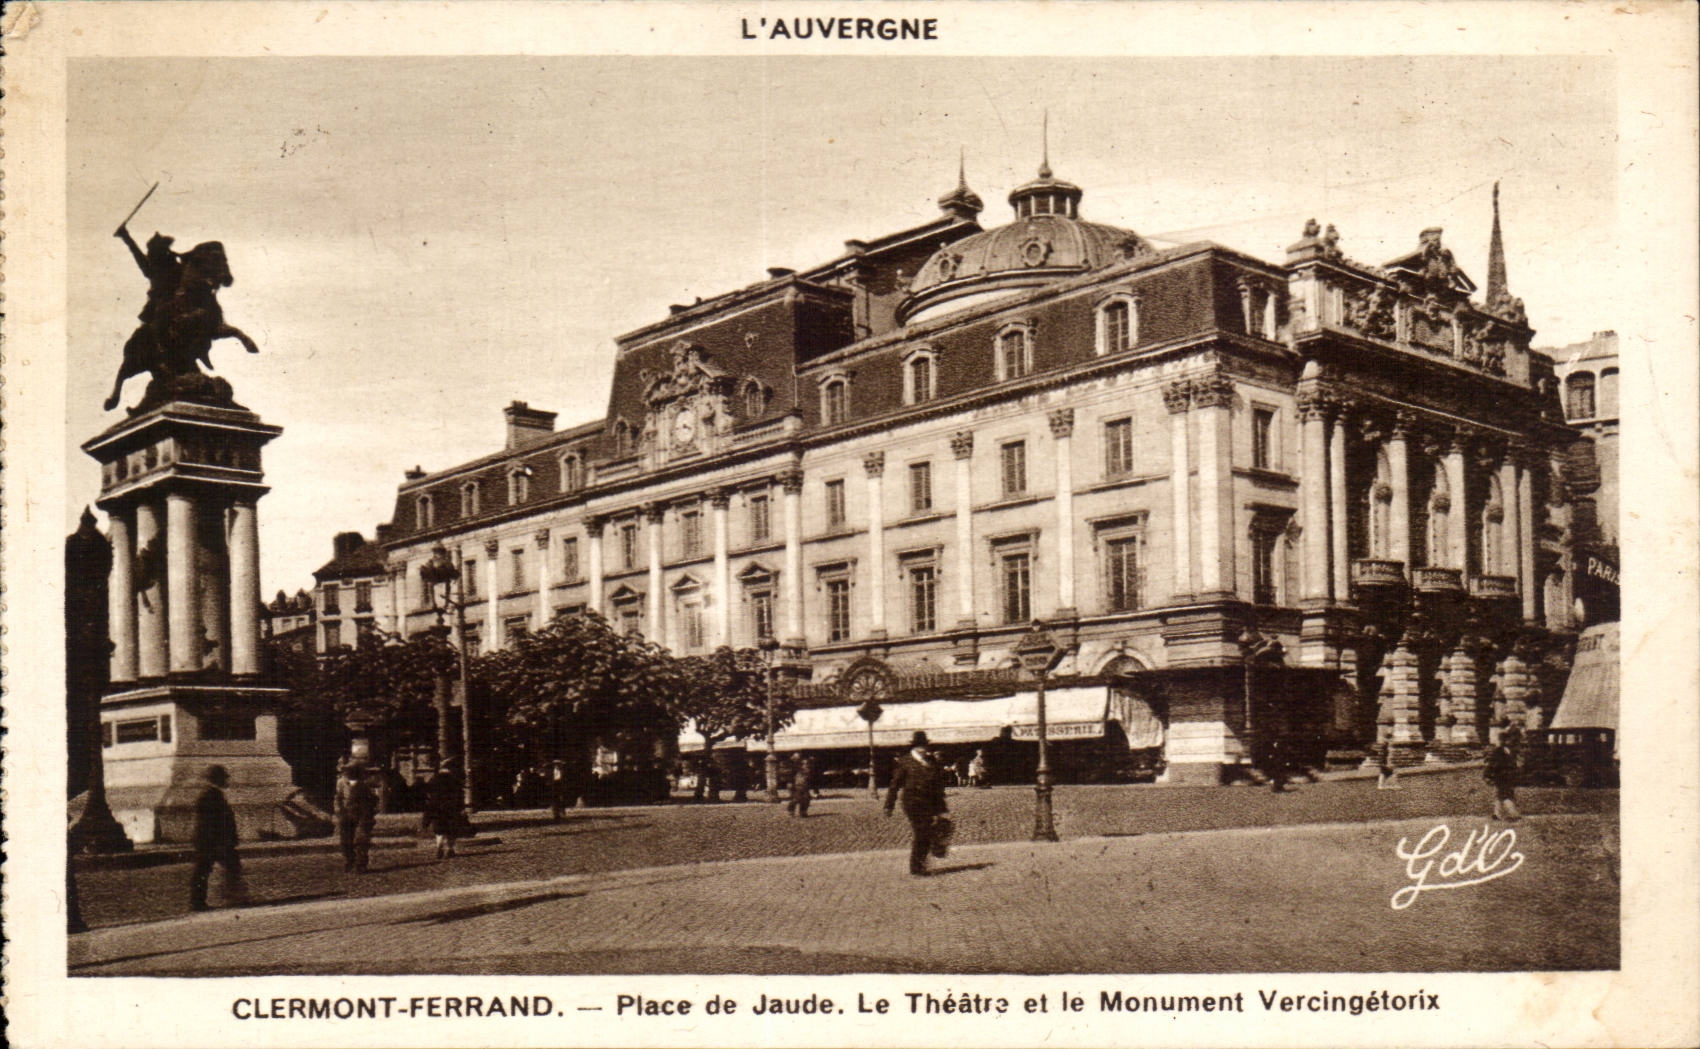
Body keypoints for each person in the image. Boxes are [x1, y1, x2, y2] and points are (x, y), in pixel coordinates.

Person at [884, 731, 950, 876]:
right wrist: (889, 805)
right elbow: (895, 785)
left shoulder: (932, 761)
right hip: (912, 802)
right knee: (921, 832)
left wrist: (942, 808)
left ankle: (921, 863)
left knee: (927, 832)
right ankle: (916, 867)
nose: (923, 749)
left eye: (925, 745)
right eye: (920, 746)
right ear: (914, 747)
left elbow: (938, 785)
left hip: (930, 801)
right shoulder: (905, 761)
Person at [189, 765, 242, 911]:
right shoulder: (211, 795)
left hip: (211, 841)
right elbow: (212, 822)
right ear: (217, 779)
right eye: (224, 777)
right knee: (204, 870)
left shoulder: (212, 794)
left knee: (206, 869)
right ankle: (200, 901)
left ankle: (229, 896)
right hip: (211, 841)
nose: (227, 780)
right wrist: (220, 841)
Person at [333, 760, 377, 873]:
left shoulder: (366, 783)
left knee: (362, 841)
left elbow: (373, 799)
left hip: (363, 816)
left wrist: (369, 813)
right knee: (346, 841)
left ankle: (361, 864)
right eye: (347, 770)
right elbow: (338, 798)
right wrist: (339, 811)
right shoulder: (341, 782)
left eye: (351, 770)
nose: (348, 773)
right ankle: (349, 861)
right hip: (346, 814)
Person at [423, 760, 463, 859]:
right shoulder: (454, 780)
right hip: (451, 808)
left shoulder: (433, 779)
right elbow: (460, 795)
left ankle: (439, 846)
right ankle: (450, 849)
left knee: (439, 830)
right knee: (451, 831)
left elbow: (428, 794)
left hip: (436, 808)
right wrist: (460, 808)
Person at [1485, 730, 1522, 821]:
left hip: (1509, 776)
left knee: (1500, 795)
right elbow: (1491, 765)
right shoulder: (1498, 751)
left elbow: (1514, 764)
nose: (1510, 741)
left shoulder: (1511, 751)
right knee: (1505, 794)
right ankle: (1513, 814)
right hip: (1501, 776)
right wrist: (1488, 775)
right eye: (1507, 740)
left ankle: (1496, 814)